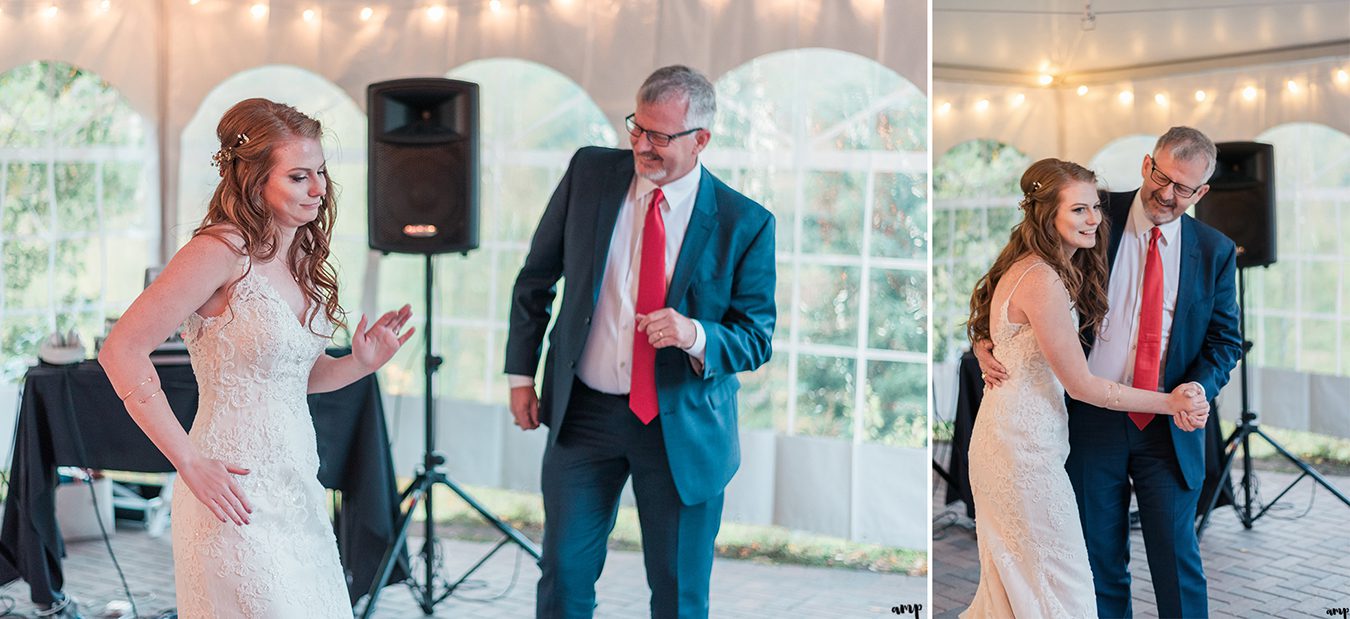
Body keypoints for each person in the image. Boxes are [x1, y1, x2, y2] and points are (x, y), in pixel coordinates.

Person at [98, 98, 414, 617]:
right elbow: (121, 350)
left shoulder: (302, 257)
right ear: (253, 180)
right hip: (229, 491)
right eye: (298, 176)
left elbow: (293, 378)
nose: (317, 189)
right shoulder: (218, 250)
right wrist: (189, 462)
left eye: (321, 173)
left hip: (298, 493)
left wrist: (360, 361)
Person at [504, 65, 776, 618]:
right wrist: (520, 376)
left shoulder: (744, 223)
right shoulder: (589, 172)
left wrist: (695, 333)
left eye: (659, 135)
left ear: (701, 139)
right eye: (637, 128)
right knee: (563, 578)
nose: (642, 145)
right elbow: (536, 279)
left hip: (681, 426)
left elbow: (756, 338)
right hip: (583, 415)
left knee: (678, 596)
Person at [976, 129, 1243, 618]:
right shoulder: (1092, 214)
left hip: (1169, 425)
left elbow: (1225, 341)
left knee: (1177, 561)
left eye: (1184, 188)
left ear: (1202, 191)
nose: (1167, 193)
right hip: (1089, 420)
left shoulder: (1215, 250)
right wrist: (984, 338)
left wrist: (1198, 387)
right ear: (1146, 164)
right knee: (1096, 563)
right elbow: (1006, 280)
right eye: (1161, 177)